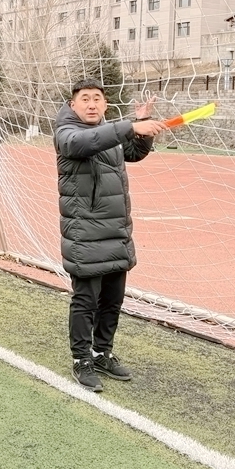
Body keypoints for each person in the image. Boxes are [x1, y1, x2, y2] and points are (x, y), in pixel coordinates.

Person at [54, 79, 165, 393]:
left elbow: (134, 152)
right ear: (73, 105)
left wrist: (142, 125)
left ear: (105, 105)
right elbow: (83, 144)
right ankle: (81, 359)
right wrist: (130, 126)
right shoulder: (67, 133)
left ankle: (102, 353)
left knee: (112, 301)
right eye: (85, 99)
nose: (91, 104)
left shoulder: (109, 131)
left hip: (116, 231)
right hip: (84, 234)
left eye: (97, 99)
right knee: (85, 301)